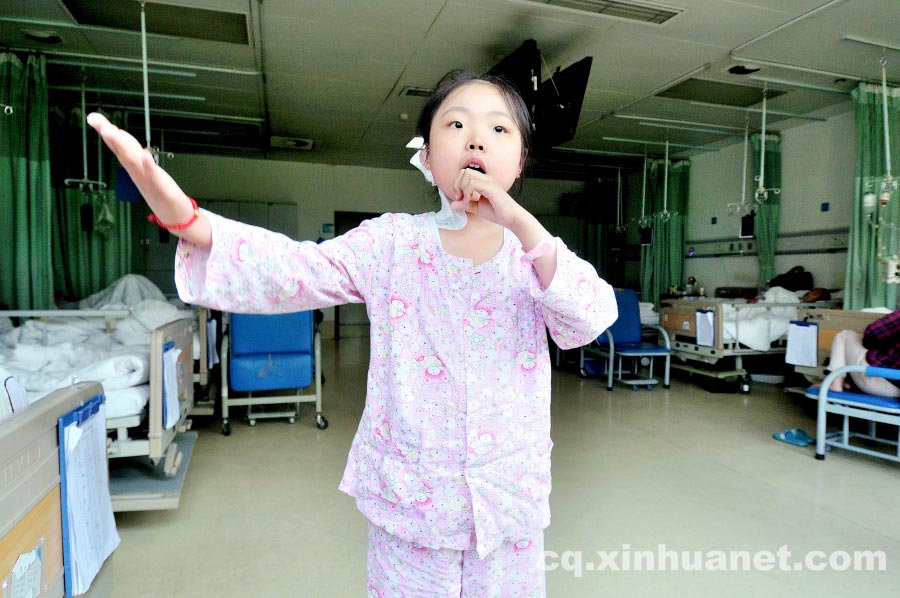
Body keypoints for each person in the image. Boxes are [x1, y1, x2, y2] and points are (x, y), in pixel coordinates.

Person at [88, 70, 617, 597]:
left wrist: (524, 225)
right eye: (456, 124)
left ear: (520, 161)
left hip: (507, 509)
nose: (477, 137)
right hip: (413, 507)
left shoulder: (537, 258)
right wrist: (187, 219)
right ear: (427, 157)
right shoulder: (391, 244)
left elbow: (590, 319)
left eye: (499, 130)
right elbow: (292, 268)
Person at [826, 309, 900, 397]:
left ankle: (836, 386)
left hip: (878, 381)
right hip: (896, 393)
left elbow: (870, 336)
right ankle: (848, 383)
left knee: (845, 335)